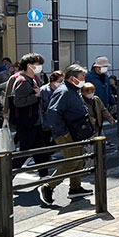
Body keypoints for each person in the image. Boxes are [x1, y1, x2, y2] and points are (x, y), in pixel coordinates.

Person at [39, 64, 94, 206]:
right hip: (66, 133)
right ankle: (48, 186)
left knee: (79, 159)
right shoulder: (63, 91)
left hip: (75, 131)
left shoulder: (73, 90)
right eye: (82, 77)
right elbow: (52, 113)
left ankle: (75, 187)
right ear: (72, 78)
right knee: (71, 161)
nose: (84, 79)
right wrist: (64, 132)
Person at [5, 53, 51, 180]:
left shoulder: (34, 78)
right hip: (26, 120)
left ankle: (44, 175)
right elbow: (18, 101)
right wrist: (36, 96)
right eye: (38, 64)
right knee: (26, 150)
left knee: (40, 149)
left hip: (34, 119)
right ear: (29, 66)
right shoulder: (22, 80)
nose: (40, 67)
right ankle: (6, 175)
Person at [40, 70, 64, 145]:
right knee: (45, 144)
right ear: (53, 81)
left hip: (59, 123)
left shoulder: (63, 91)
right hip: (46, 124)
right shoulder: (44, 91)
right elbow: (41, 109)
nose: (62, 83)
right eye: (60, 81)